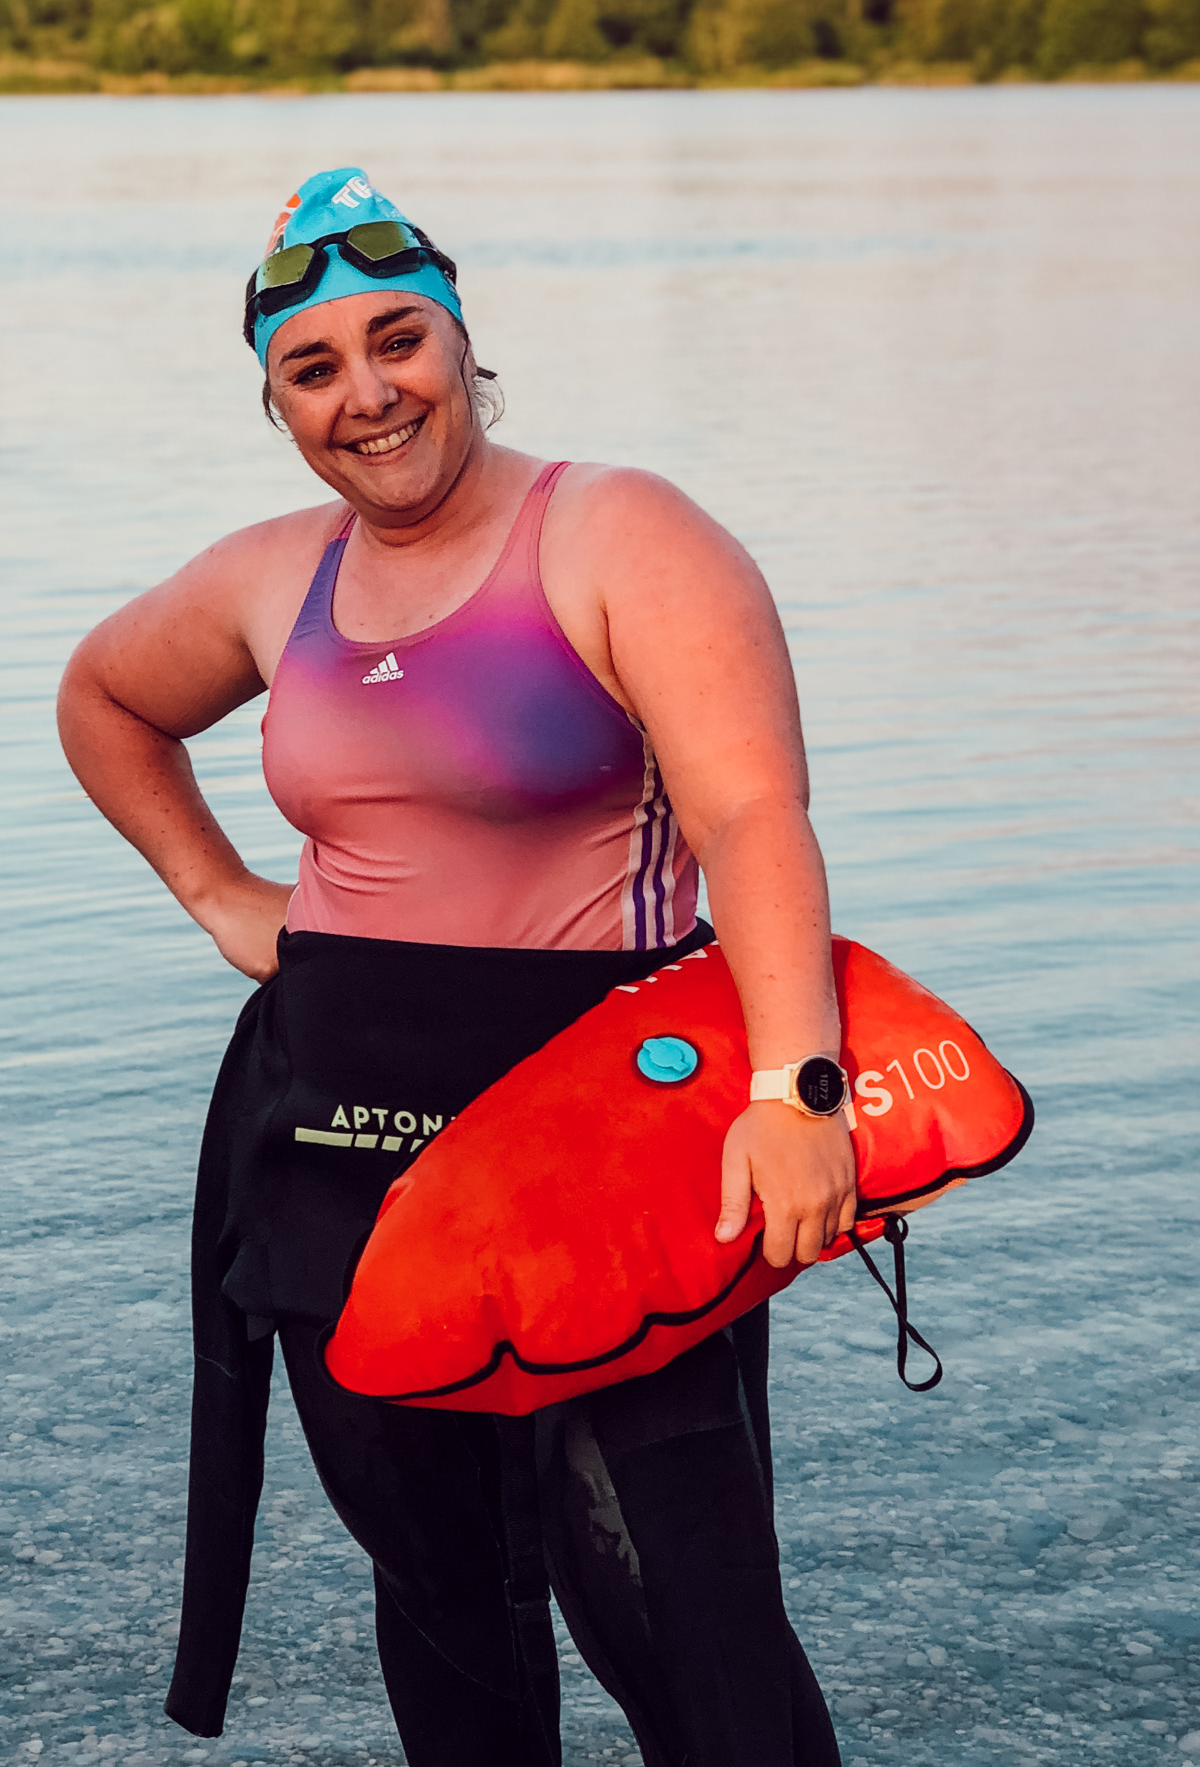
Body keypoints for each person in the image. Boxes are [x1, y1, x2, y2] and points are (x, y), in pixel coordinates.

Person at [57, 167, 855, 1767]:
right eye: (315, 369)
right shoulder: (273, 576)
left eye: (397, 341)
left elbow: (755, 815)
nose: (369, 395)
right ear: (277, 402)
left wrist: (797, 1089)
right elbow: (103, 698)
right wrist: (222, 894)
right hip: (343, 1169)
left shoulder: (620, 530)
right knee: (443, 1606)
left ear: (464, 344)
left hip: (613, 1170)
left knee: (689, 1623)